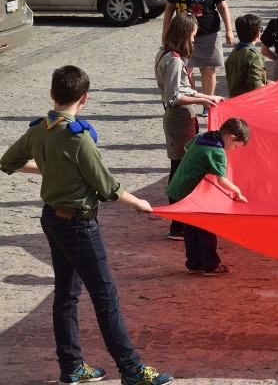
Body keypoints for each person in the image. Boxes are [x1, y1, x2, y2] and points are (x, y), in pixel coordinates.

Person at [0, 65, 174, 385]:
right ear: (85, 99)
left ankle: (71, 367)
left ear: (52, 94)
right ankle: (131, 369)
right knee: (105, 297)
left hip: (52, 219)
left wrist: (51, 169)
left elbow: (7, 162)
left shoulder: (38, 130)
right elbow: (107, 187)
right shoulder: (79, 139)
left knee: (66, 295)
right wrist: (140, 204)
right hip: (79, 227)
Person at [155, 13, 224, 241]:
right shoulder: (174, 60)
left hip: (181, 118)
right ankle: (178, 225)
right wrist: (203, 100)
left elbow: (183, 89)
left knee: (180, 168)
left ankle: (180, 221)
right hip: (179, 119)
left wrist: (207, 96)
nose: (194, 40)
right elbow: (175, 97)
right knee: (180, 171)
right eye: (193, 35)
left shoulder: (166, 53)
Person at [166, 118, 250, 276]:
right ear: (230, 138)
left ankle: (194, 263)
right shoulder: (218, 152)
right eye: (235, 146)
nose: (233, 150)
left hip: (179, 187)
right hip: (191, 192)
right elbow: (222, 179)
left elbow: (186, 147)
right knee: (206, 227)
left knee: (191, 228)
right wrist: (237, 191)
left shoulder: (202, 137)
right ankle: (211, 265)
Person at [162, 0, 234, 105]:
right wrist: (165, 31)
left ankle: (208, 103)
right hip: (183, 34)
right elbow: (169, 8)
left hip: (208, 32)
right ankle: (193, 100)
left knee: (208, 69)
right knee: (186, 70)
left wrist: (229, 30)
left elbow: (223, 6)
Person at [225, 14, 268, 97]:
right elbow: (256, 85)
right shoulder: (254, 56)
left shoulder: (235, 51)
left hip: (234, 99)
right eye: (261, 29)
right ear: (257, 34)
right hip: (249, 101)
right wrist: (269, 86)